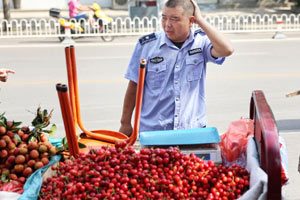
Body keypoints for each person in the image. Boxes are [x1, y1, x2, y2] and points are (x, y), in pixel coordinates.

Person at [119, 0, 234, 136]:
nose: (167, 25)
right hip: (154, 132)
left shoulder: (200, 43)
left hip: (192, 130)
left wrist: (201, 20)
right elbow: (134, 85)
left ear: (191, 21)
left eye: (175, 19)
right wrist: (125, 123)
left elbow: (227, 49)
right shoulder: (147, 45)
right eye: (164, 18)